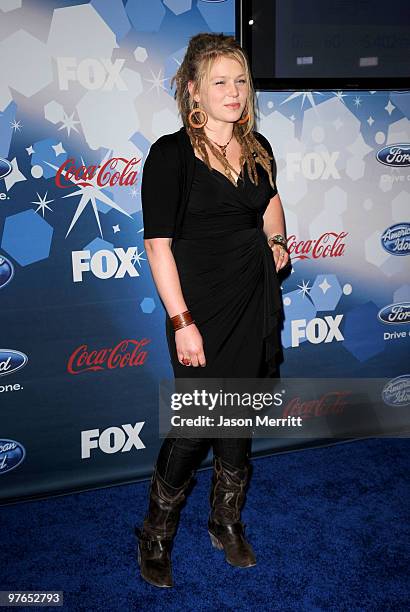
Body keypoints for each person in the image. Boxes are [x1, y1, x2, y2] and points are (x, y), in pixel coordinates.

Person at [135, 32, 289, 588]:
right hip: (200, 308)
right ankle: (155, 531)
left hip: (253, 300)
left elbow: (272, 211)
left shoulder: (259, 147)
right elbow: (158, 246)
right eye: (220, 82)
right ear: (193, 92)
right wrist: (182, 321)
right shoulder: (169, 154)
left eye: (241, 81)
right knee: (196, 422)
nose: (234, 92)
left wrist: (277, 244)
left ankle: (225, 521)